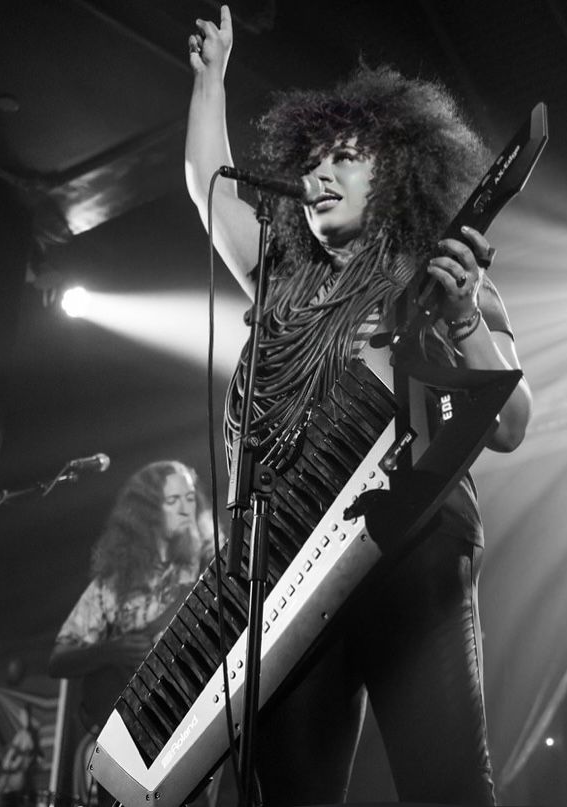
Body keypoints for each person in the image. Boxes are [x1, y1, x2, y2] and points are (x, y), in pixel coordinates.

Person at [184, 6, 532, 805]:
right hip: (291, 572)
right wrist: (211, 81)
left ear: (396, 170)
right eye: (312, 162)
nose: (321, 175)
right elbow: (210, 190)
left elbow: (512, 424)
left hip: (412, 548)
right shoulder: (282, 280)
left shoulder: (442, 276)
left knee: (446, 785)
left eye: (345, 157)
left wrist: (464, 317)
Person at [48, 460, 215, 803]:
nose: (186, 507)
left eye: (189, 498)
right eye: (173, 500)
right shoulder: (112, 585)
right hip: (125, 743)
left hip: (185, 734)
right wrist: (112, 650)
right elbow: (58, 660)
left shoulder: (204, 569)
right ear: (147, 511)